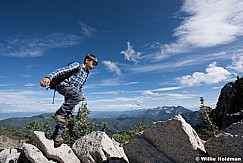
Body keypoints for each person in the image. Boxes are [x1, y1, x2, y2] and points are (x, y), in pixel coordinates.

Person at [40, 54, 98, 147]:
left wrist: (80, 95)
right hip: (64, 86)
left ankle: (57, 135)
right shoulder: (77, 65)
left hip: (72, 91)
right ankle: (58, 113)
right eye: (93, 63)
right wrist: (49, 77)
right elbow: (61, 70)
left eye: (95, 64)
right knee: (63, 112)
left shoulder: (87, 73)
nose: (93, 66)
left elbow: (80, 86)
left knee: (68, 113)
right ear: (87, 60)